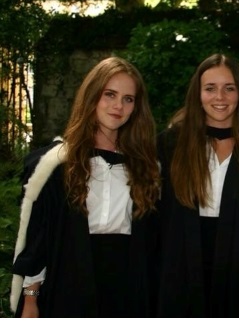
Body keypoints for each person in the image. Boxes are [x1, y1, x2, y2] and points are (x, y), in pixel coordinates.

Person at [10, 56, 160, 317]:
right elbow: (38, 239)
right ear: (92, 96)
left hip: (129, 291)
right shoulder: (55, 165)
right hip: (70, 284)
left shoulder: (147, 168)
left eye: (128, 99)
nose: (118, 106)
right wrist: (31, 299)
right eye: (109, 94)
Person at [156, 53, 239, 317]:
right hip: (181, 263)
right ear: (197, 94)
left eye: (229, 88)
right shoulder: (170, 144)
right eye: (210, 88)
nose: (219, 97)